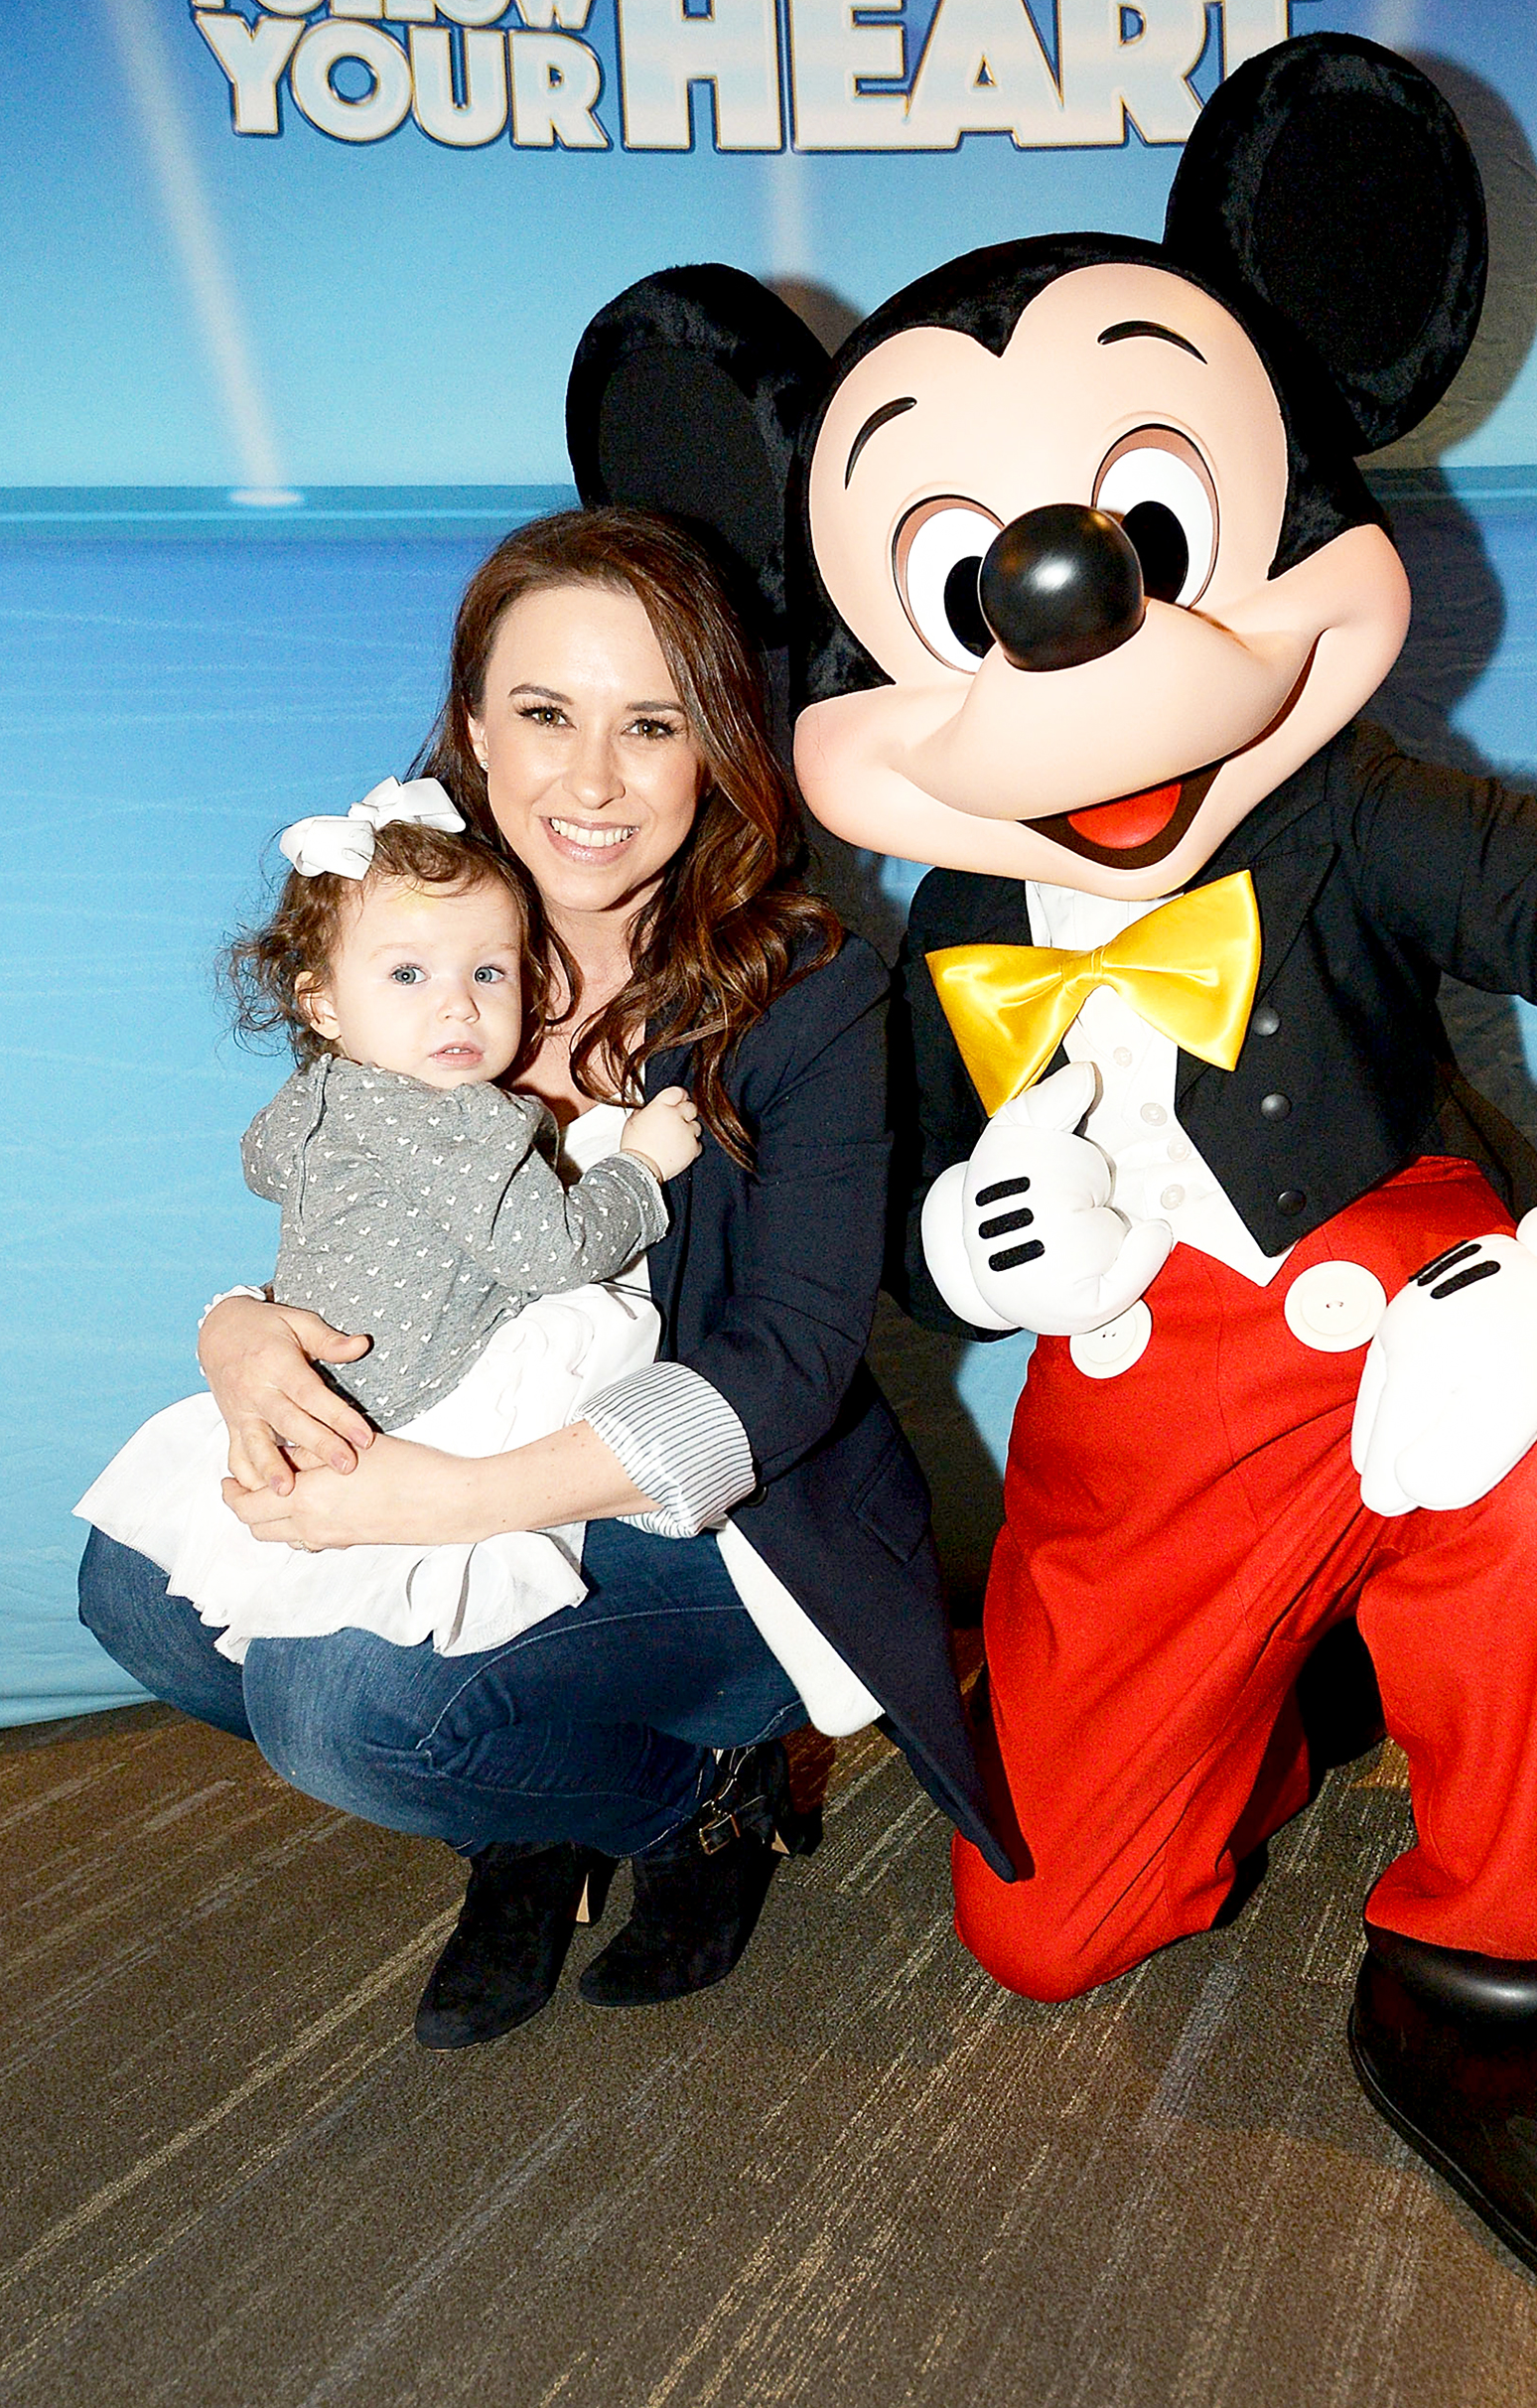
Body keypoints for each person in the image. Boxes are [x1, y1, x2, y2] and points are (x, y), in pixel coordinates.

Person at [79, 507, 1004, 2053]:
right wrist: (239, 1336)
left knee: (344, 1708)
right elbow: (348, 1210)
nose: (592, 781)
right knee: (141, 1586)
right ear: (472, 730)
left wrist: (434, 1499)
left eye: (651, 724)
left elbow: (786, 1369)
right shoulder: (420, 938)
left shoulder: (814, 987)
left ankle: (696, 1800)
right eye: (545, 714)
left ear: (717, 746)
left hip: (715, 1518)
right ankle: (532, 1804)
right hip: (455, 1440)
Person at [76, 782, 702, 1662]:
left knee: (258, 1626)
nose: (457, 1004)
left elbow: (264, 1164)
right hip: (426, 1405)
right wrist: (639, 1166)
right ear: (323, 1004)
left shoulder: (315, 1097)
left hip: (339, 1400)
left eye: (487, 972)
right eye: (407, 974)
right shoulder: (461, 1117)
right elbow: (554, 1250)